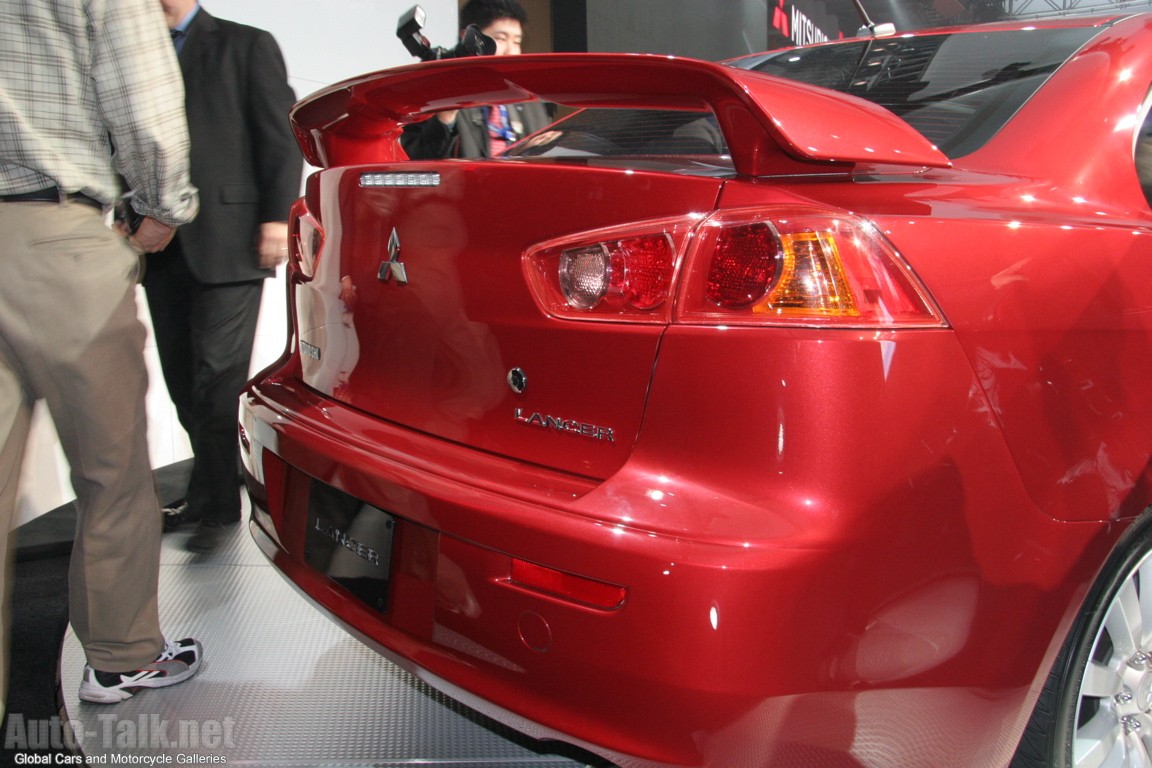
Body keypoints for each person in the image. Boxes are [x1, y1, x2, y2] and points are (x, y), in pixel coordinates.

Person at [0, 0, 203, 706]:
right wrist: (162, 208)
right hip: (58, 233)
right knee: (110, 467)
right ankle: (121, 655)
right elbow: (146, 109)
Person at [149, 1, 302, 553]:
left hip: (232, 239)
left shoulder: (245, 43)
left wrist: (275, 217)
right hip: (159, 243)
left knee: (215, 381)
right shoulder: (137, 47)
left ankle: (216, 504)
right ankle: (210, 490)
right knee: (180, 381)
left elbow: (280, 136)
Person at [401, 0, 553, 159]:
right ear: (468, 38)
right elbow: (419, 161)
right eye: (501, 38)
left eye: (516, 42)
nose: (511, 52)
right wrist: (446, 116)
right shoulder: (436, 90)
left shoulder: (528, 99)